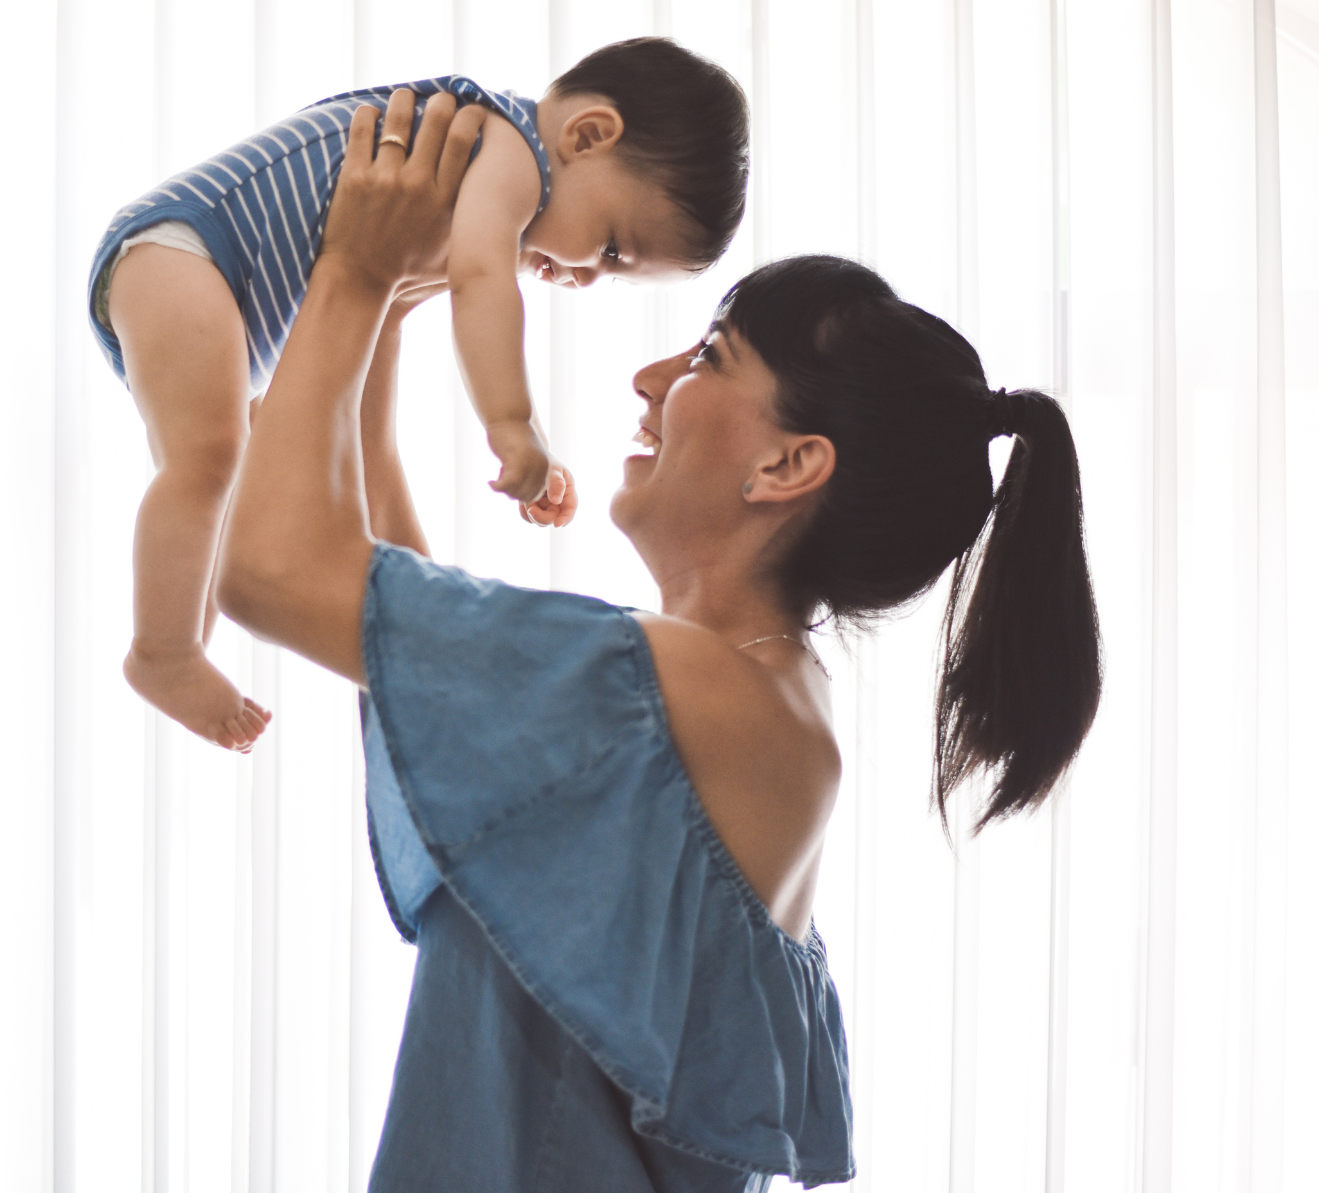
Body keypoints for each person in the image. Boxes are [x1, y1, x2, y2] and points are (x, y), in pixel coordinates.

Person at [218, 92, 1102, 1190]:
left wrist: (349, 272)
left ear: (787, 466)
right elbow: (395, 612)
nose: (650, 380)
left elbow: (265, 574)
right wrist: (388, 305)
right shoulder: (757, 700)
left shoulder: (678, 691)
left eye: (710, 358)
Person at [91, 37, 750, 751]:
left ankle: (176, 645)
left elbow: (370, 416)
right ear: (588, 136)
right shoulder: (509, 149)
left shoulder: (450, 195)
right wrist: (513, 425)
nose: (589, 275)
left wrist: (426, 605)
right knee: (208, 459)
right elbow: (480, 282)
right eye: (612, 247)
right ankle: (164, 650)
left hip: (213, 284)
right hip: (185, 246)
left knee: (226, 465)